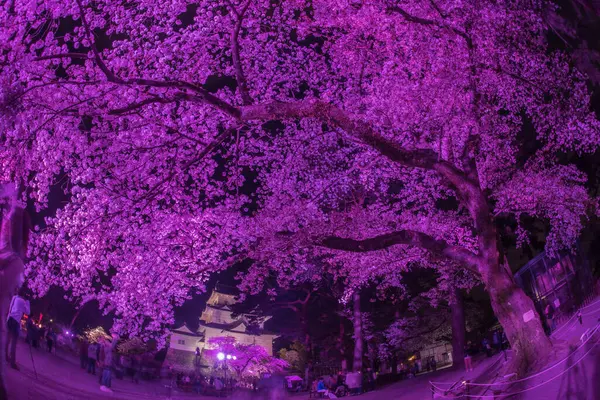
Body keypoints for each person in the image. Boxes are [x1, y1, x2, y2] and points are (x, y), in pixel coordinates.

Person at [5, 287, 30, 370]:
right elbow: (28, 312)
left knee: (8, 339)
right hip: (15, 322)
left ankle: (5, 356)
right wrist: (28, 301)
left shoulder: (14, 297)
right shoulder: (23, 301)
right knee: (14, 342)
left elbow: (10, 308)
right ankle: (12, 363)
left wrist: (8, 318)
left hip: (10, 319)